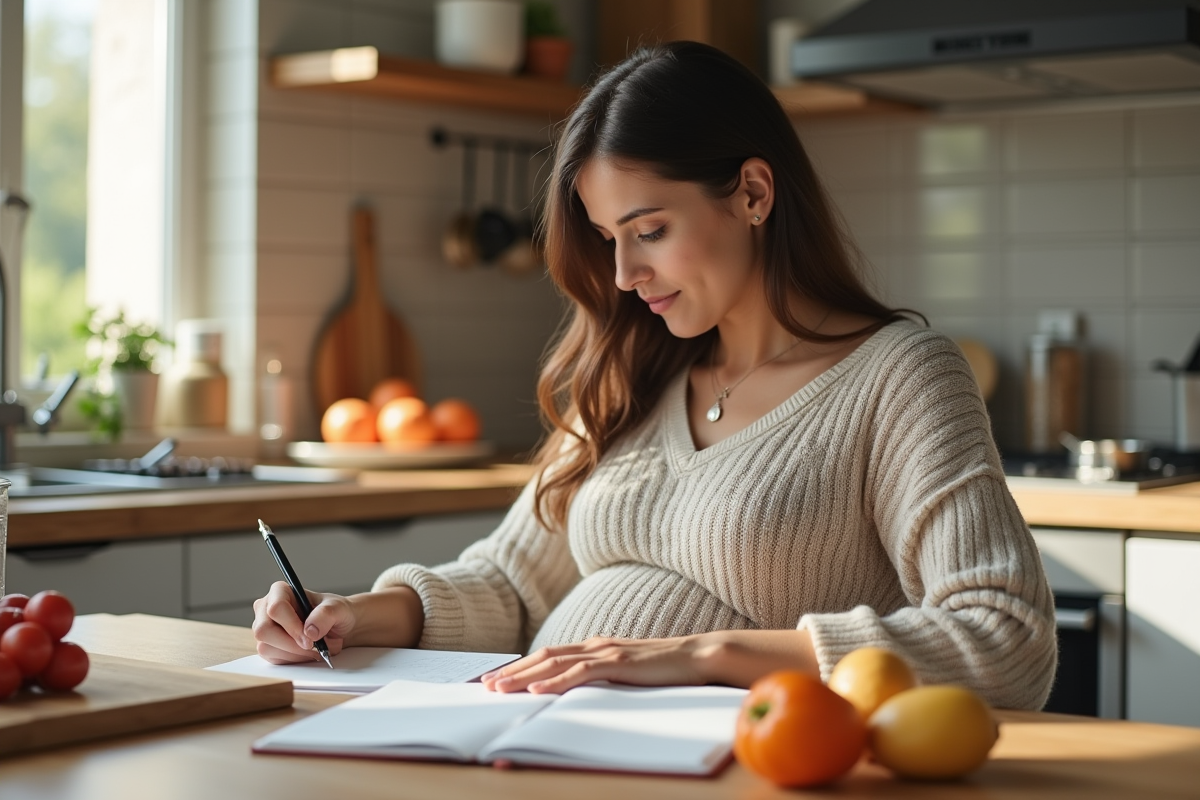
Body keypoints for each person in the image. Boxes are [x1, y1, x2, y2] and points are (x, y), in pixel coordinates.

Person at [253, 41, 1056, 710]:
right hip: (530, 743)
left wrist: (703, 655)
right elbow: (510, 584)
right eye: (607, 237)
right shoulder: (629, 370)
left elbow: (1006, 640)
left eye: (650, 230)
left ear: (752, 192)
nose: (625, 272)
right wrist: (353, 614)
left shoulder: (898, 377)